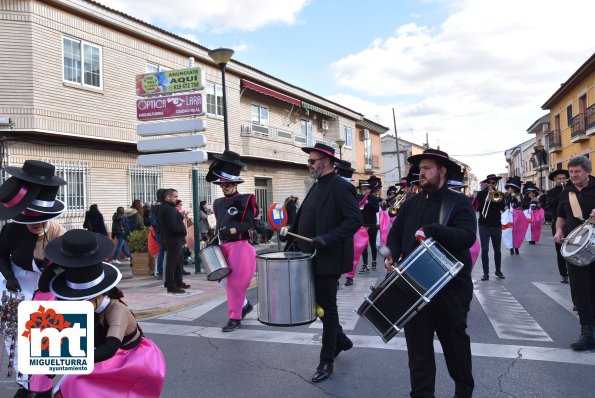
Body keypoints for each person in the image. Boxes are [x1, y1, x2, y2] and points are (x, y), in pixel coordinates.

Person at [385, 148, 476, 398]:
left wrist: (433, 230)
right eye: (420, 169)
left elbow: (467, 237)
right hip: (414, 287)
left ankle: (463, 391)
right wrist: (391, 252)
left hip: (451, 288)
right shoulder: (410, 203)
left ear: (442, 171)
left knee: (455, 346)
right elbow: (395, 234)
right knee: (418, 352)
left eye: (427, 168)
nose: (421, 173)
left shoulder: (459, 202)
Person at [42, 230, 166, 397]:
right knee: (67, 386)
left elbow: (109, 349)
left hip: (129, 362)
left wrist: (65, 362)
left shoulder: (117, 310)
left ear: (96, 295)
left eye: (81, 301)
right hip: (99, 356)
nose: (75, 307)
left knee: (76, 383)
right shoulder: (80, 306)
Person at [284, 143, 361, 383]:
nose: (309, 165)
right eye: (309, 161)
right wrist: (289, 232)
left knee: (326, 308)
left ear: (327, 161)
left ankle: (326, 360)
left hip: (328, 258)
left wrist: (327, 239)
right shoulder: (316, 186)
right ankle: (341, 340)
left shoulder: (341, 187)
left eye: (312, 161)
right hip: (309, 257)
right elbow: (308, 215)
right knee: (316, 305)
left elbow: (353, 221)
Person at [0, 160, 67, 398]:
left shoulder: (57, 231)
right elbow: (1, 255)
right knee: (17, 337)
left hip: (47, 288)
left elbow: (64, 265)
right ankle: (25, 380)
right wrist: (8, 277)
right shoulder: (11, 230)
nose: (39, 225)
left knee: (47, 337)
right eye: (34, 221)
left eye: (43, 221)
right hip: (17, 284)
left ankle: (41, 379)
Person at [206, 150, 257, 332]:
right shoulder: (218, 203)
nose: (224, 187)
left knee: (236, 284)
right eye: (222, 184)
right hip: (222, 246)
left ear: (235, 184)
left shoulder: (245, 199)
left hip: (240, 247)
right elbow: (219, 224)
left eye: (228, 184)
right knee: (222, 281)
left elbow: (250, 223)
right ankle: (245, 305)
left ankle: (234, 317)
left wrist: (234, 229)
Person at [553, 156, 595, 351]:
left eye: (577, 171)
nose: (573, 175)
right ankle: (587, 333)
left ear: (587, 171)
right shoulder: (567, 191)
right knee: (580, 289)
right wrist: (559, 230)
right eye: (571, 172)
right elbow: (561, 216)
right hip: (575, 247)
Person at [334, 160, 366, 287]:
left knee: (351, 253)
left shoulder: (347, 189)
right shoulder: (342, 188)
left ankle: (348, 277)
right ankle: (338, 277)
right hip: (340, 227)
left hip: (348, 228)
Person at [476, 174, 506, 281]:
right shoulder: (480, 194)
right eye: (489, 183)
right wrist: (487, 199)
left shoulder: (500, 194)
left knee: (497, 250)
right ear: (486, 183)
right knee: (485, 250)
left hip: (496, 225)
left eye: (493, 183)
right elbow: (478, 208)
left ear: (496, 184)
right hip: (484, 225)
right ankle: (486, 273)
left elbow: (502, 207)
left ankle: (498, 270)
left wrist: (494, 198)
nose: (491, 185)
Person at [158, 188, 188, 294]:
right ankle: (171, 285)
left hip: (174, 239)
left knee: (178, 262)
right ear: (168, 197)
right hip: (173, 239)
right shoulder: (168, 209)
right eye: (175, 196)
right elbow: (173, 225)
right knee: (172, 263)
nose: (176, 199)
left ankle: (178, 282)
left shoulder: (168, 207)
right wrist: (182, 232)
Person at [546, 169, 570, 283]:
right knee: (560, 250)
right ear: (554, 180)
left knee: (572, 248)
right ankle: (563, 274)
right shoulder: (551, 192)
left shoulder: (571, 190)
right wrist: (563, 192)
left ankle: (572, 271)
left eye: (564, 178)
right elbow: (551, 204)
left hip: (570, 223)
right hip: (557, 223)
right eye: (559, 179)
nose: (562, 181)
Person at [357, 178, 380, 273]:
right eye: (362, 189)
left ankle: (374, 261)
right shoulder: (358, 198)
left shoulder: (374, 198)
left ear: (369, 190)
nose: (363, 190)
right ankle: (365, 264)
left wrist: (368, 203)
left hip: (372, 225)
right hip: (362, 224)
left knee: (372, 244)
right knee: (363, 246)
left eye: (366, 189)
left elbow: (377, 209)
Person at [501, 176, 526, 255]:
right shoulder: (506, 196)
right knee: (507, 231)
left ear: (514, 189)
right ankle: (510, 247)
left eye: (511, 188)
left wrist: (518, 200)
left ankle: (516, 247)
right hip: (508, 216)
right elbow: (503, 206)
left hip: (517, 217)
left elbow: (520, 206)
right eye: (508, 188)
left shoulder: (519, 196)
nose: (509, 189)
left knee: (517, 231)